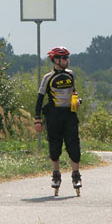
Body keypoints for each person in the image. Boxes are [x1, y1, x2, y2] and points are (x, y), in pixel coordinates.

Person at [34, 46, 81, 192]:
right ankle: (56, 175)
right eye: (65, 58)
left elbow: (73, 92)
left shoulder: (71, 74)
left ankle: (76, 175)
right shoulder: (47, 77)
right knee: (54, 146)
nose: (67, 60)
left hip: (69, 114)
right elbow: (40, 99)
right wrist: (37, 119)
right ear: (56, 60)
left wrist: (77, 100)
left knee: (73, 145)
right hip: (54, 114)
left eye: (68, 57)